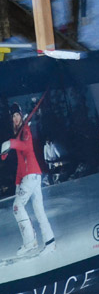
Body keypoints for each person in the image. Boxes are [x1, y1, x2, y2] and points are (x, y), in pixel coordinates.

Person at [2, 102, 56, 258]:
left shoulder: (25, 131)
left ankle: (30, 241)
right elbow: (20, 163)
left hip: (32, 174)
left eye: (18, 115)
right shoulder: (17, 134)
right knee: (39, 210)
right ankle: (50, 242)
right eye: (13, 116)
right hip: (29, 176)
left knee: (17, 207)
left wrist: (11, 144)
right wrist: (17, 183)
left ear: (21, 115)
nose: (16, 118)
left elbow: (26, 147)